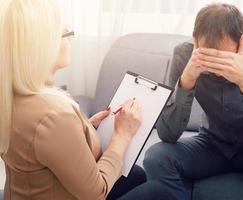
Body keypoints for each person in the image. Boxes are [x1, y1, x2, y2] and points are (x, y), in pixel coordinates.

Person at [0, 0, 170, 199]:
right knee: (158, 192)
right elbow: (96, 194)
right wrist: (122, 135)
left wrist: (84, 127)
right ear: (43, 45)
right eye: (66, 32)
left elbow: (40, 146)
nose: (70, 39)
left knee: (135, 175)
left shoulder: (13, 94)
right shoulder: (54, 116)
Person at [143, 3, 243, 200]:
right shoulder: (184, 56)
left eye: (224, 59)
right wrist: (186, 82)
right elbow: (167, 133)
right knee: (157, 156)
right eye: (208, 58)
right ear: (194, 41)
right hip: (213, 145)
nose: (217, 70)